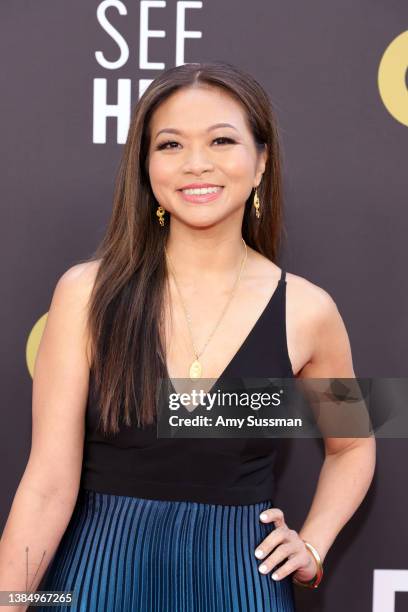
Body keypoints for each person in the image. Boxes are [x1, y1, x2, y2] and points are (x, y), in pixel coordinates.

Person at [0, 61, 376, 612]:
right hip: (96, 576)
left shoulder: (308, 310)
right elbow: (48, 485)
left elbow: (354, 446)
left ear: (261, 162)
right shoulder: (86, 294)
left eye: (222, 140)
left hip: (240, 583)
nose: (196, 164)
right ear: (146, 166)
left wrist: (313, 545)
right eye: (170, 145)